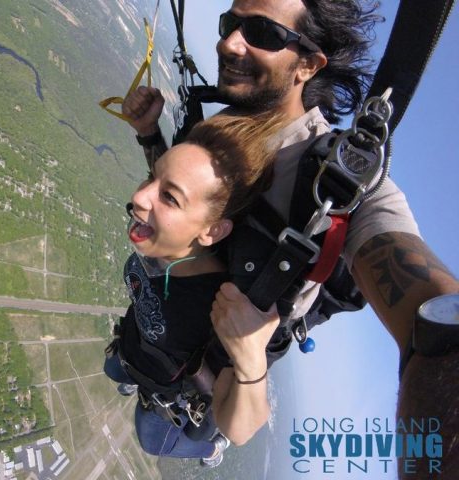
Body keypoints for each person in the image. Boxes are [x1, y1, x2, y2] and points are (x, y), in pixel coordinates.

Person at [121, 1, 459, 478]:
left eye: (260, 31)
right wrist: (150, 136)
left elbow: (427, 308)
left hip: (202, 390)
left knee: (152, 434)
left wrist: (444, 347)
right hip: (153, 329)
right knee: (123, 367)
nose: (229, 42)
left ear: (308, 63)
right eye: (230, 23)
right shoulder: (224, 126)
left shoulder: (339, 182)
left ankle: (201, 448)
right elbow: (182, 210)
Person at [105, 113, 285, 467]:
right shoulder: (162, 243)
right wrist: (148, 132)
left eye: (169, 198)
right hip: (131, 347)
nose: (139, 197)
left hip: (165, 393)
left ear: (212, 232)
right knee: (112, 369)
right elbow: (176, 185)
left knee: (152, 440)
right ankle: (128, 375)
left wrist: (251, 361)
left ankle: (208, 450)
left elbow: (241, 428)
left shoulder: (217, 306)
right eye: (150, 179)